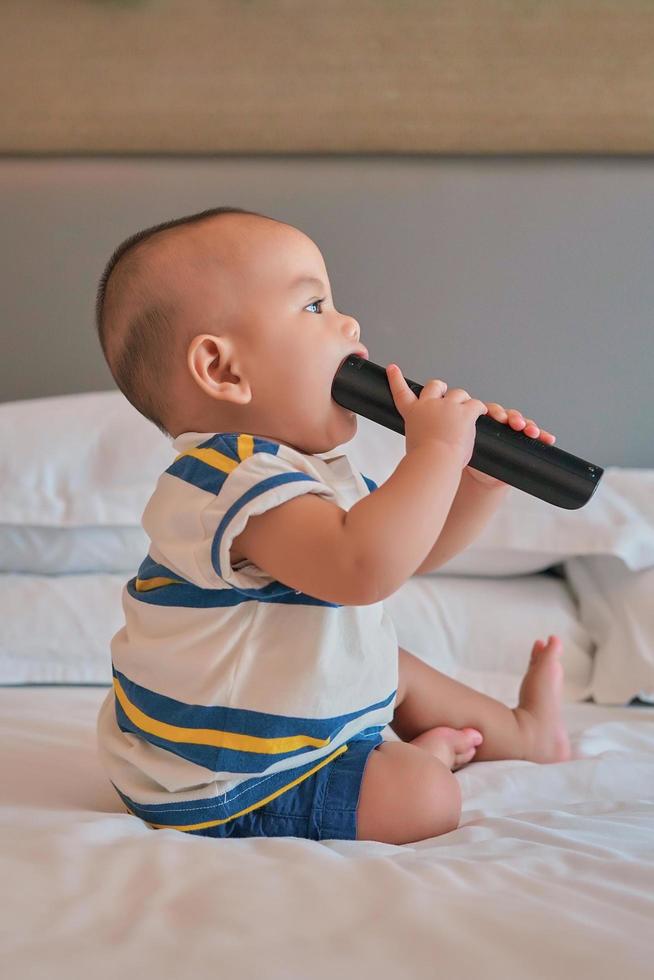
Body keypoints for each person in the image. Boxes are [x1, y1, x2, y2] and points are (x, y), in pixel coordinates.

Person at [95, 206, 570, 846]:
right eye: (314, 307)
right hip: (226, 776)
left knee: (386, 662)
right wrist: (434, 454)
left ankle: (524, 734)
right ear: (223, 370)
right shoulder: (226, 479)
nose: (350, 324)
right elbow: (364, 568)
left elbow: (406, 552)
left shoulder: (303, 470)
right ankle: (409, 762)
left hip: (282, 701)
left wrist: (475, 482)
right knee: (428, 797)